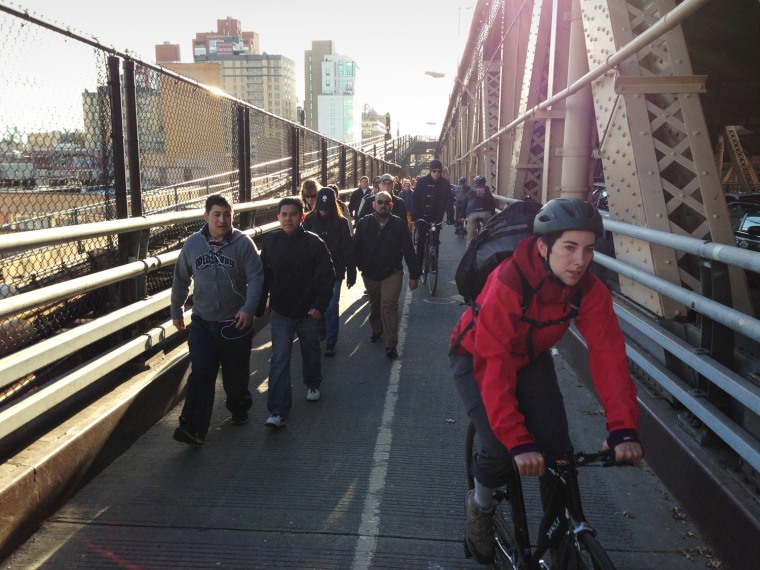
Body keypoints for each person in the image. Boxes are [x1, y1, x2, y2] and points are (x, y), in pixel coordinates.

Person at [449, 197, 644, 564]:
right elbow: (493, 363)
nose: (580, 261)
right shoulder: (508, 280)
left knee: (559, 453)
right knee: (498, 446)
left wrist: (622, 427)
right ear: (543, 246)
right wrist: (518, 439)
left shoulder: (587, 288)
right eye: (569, 248)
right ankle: (480, 505)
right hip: (476, 355)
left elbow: (609, 357)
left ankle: (559, 542)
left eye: (588, 250)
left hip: (531, 358)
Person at [170, 194, 264, 445]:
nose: (222, 220)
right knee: (200, 373)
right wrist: (176, 310)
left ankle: (239, 407)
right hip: (203, 322)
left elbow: (255, 277)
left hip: (235, 323)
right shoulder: (192, 245)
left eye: (227, 214)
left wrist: (248, 308)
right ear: (206, 216)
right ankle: (193, 428)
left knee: (235, 375)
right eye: (217, 214)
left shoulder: (243, 244)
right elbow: (181, 278)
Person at [256, 197, 335, 428]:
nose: (288, 218)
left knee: (310, 350)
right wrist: (260, 306)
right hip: (281, 311)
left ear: (302, 217)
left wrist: (319, 306)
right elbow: (264, 276)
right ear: (278, 217)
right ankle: (278, 411)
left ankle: (312, 382)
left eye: (293, 214)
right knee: (279, 358)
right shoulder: (271, 242)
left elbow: (326, 277)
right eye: (284, 214)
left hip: (308, 312)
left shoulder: (314, 243)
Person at [353, 190, 420, 359]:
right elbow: (355, 248)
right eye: (380, 202)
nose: (383, 205)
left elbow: (409, 250)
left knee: (389, 305)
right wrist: (357, 267)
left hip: (392, 272)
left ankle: (391, 344)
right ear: (374, 205)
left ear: (391, 206)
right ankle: (377, 330)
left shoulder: (398, 225)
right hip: (370, 273)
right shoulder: (364, 223)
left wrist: (414, 275)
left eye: (386, 203)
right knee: (375, 305)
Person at [303, 187, 357, 357]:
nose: (323, 211)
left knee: (332, 306)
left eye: (327, 208)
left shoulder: (340, 223)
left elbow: (347, 246)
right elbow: (301, 243)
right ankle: (320, 329)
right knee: (315, 305)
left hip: (335, 270)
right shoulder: (310, 220)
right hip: (313, 270)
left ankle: (331, 342)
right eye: (321, 207)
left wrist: (351, 270)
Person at [412, 159, 455, 265]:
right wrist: (415, 214)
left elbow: (448, 201)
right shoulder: (422, 182)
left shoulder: (445, 183)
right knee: (421, 240)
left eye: (439, 171)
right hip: (422, 215)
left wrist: (450, 216)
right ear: (430, 171)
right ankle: (418, 266)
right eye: (434, 170)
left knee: (435, 240)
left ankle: (433, 263)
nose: (437, 173)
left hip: (437, 217)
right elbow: (415, 199)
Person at [459, 175, 496, 247]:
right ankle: (484, 243)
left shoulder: (471, 190)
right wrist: (492, 214)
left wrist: (462, 216)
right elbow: (493, 203)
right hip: (485, 213)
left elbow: (464, 203)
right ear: (484, 182)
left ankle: (468, 255)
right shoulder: (487, 190)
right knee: (487, 231)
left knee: (470, 238)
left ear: (475, 182)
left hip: (472, 214)